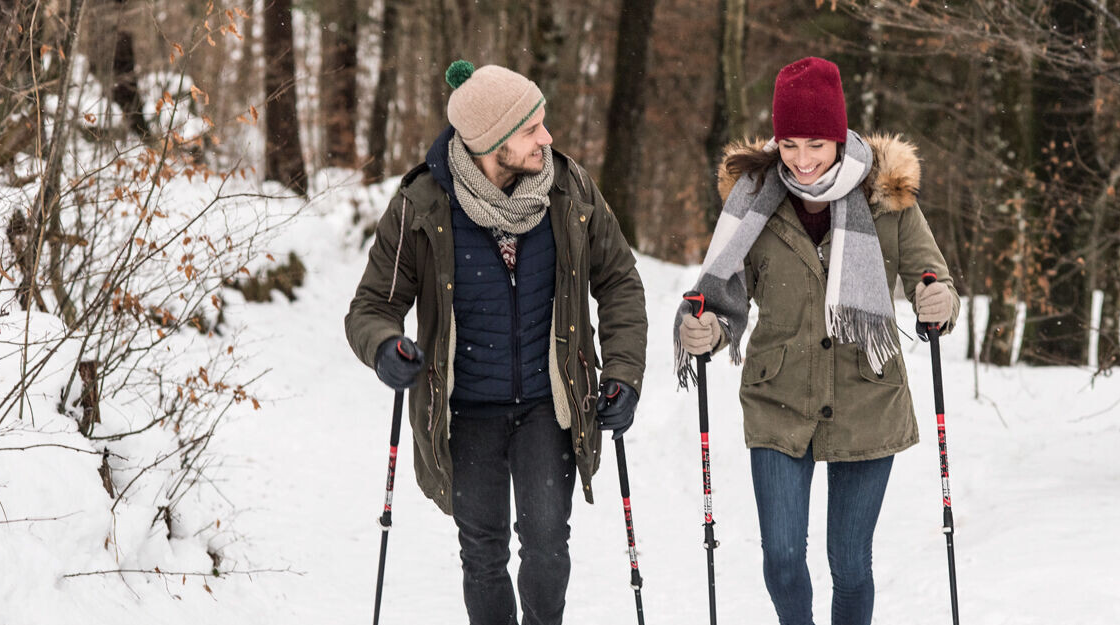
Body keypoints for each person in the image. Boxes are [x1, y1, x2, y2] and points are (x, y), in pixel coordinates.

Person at [346, 59, 647, 625]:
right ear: (492, 142)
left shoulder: (571, 190)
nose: (547, 138)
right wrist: (385, 346)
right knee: (482, 554)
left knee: (546, 547)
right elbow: (372, 306)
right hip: (466, 410)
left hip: (547, 406)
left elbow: (620, 283)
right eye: (532, 129)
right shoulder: (422, 204)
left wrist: (624, 372)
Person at [673, 56, 959, 625]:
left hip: (867, 398)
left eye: (817, 145)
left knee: (849, 563)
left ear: (840, 137)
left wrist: (938, 301)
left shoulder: (888, 196)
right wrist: (704, 327)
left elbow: (934, 277)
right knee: (781, 558)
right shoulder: (753, 200)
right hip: (779, 397)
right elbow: (722, 293)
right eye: (790, 145)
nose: (802, 162)